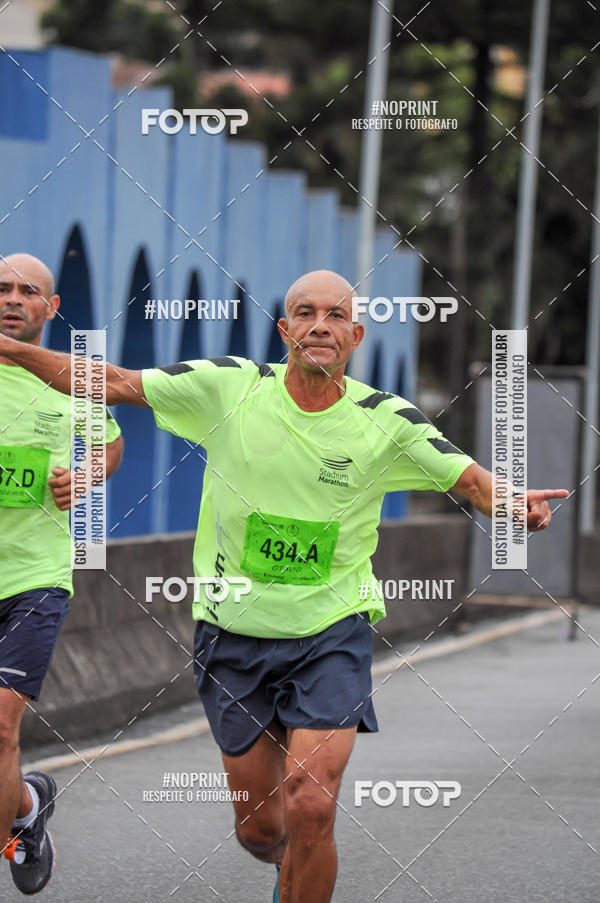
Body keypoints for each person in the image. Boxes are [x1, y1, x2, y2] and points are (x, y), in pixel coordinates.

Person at [0, 268, 566, 903]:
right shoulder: (229, 387)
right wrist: (11, 349)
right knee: (263, 830)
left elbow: (467, 479)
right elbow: (106, 382)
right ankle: (286, 867)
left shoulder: (384, 419)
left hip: (331, 633)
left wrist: (513, 503)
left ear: (354, 335)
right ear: (284, 328)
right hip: (232, 635)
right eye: (304, 312)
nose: (318, 325)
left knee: (311, 804)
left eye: (333, 316)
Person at [0, 253, 123, 895]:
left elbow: (109, 442)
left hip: (36, 576)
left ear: (50, 309)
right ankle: (26, 808)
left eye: (29, 292)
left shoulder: (63, 381)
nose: (13, 298)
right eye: (2, 288)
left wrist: (88, 475)